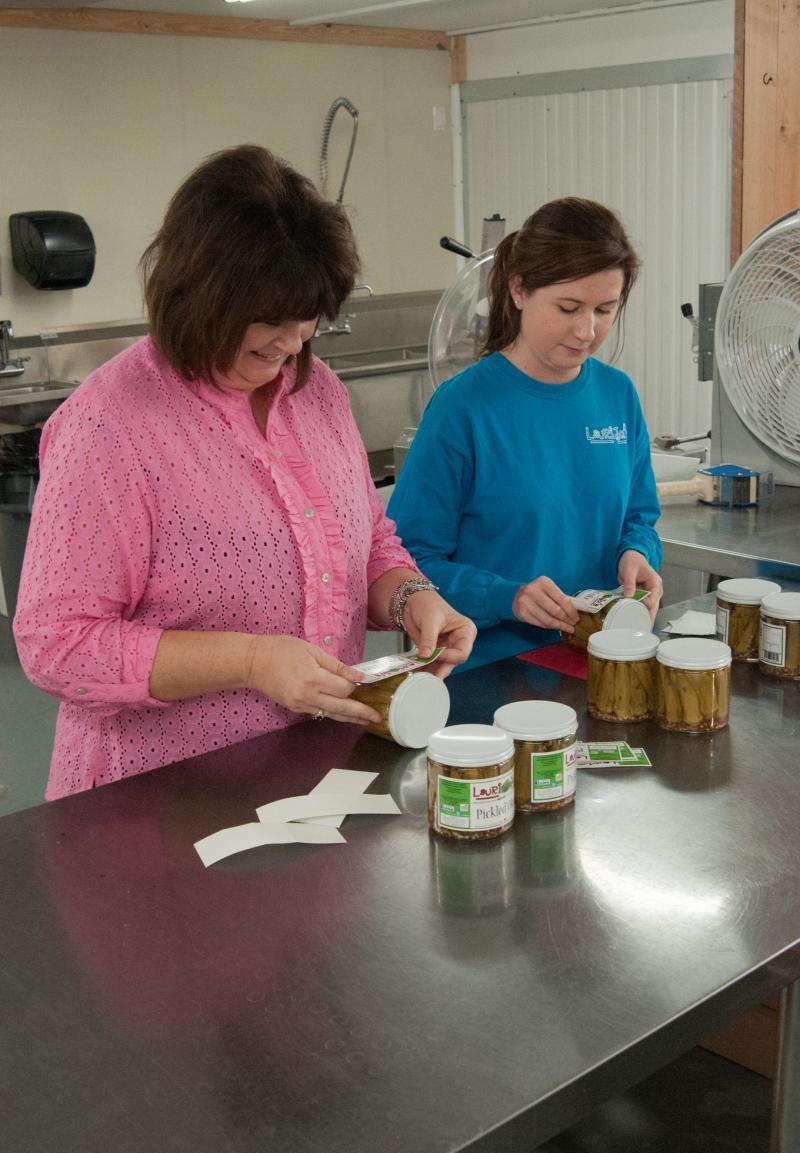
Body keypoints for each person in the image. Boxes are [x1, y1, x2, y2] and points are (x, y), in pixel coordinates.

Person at [14, 145, 476, 800]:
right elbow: (57, 644)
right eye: (269, 321)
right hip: (159, 799)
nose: (292, 342)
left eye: (308, 319)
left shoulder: (318, 394)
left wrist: (412, 598)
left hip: (312, 777)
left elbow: (366, 543)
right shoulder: (110, 429)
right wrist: (253, 660)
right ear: (198, 295)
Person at [388, 196, 662, 670]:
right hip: (492, 677)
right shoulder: (463, 408)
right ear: (518, 291)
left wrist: (638, 553)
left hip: (601, 665)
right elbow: (406, 564)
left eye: (605, 310)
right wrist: (505, 597)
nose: (586, 330)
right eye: (569, 307)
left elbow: (638, 516)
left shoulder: (617, 395)